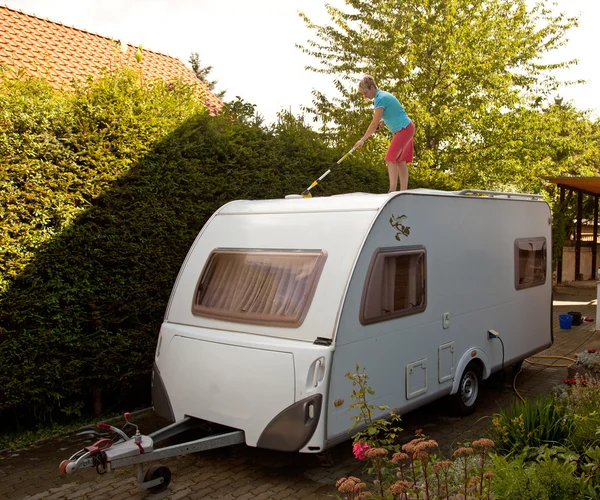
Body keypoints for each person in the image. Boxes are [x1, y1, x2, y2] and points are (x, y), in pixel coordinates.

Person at [354, 75, 415, 192]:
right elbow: (394, 112)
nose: (365, 96)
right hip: (407, 127)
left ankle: (392, 192)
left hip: (404, 129)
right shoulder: (383, 95)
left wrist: (362, 140)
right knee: (399, 160)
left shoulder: (379, 99)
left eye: (365, 92)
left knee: (390, 158)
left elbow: (373, 124)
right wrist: (383, 121)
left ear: (372, 87)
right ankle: (403, 192)